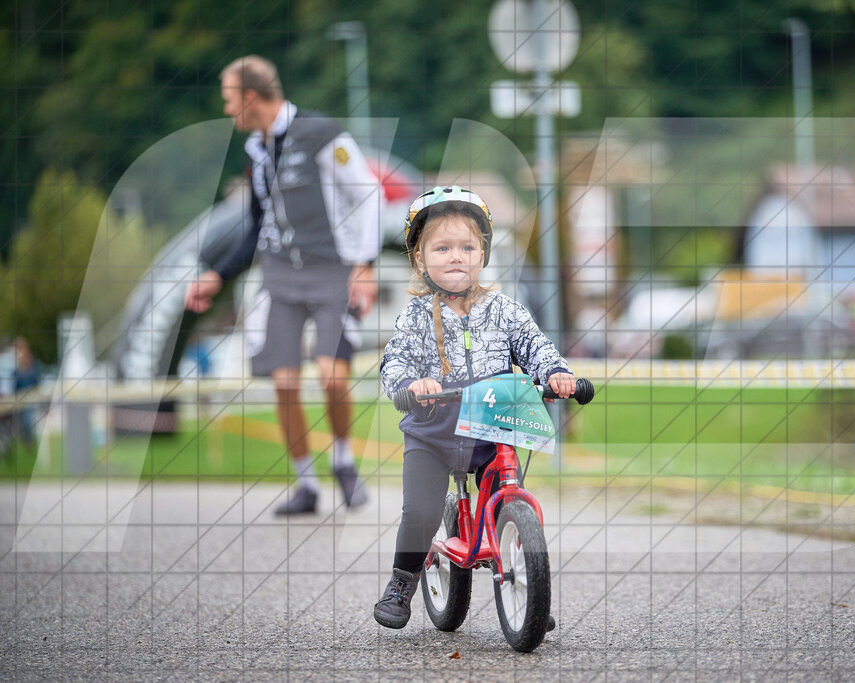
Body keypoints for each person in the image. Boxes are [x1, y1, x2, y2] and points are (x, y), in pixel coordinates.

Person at [374, 186, 575, 629]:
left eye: (467, 247)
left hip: (491, 430)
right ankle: (402, 580)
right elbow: (396, 359)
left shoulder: (505, 310)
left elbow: (534, 346)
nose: (456, 257)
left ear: (483, 254)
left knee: (510, 495)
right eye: (442, 248)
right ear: (420, 260)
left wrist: (556, 373)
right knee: (422, 512)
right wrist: (411, 383)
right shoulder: (415, 315)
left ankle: (528, 588)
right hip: (433, 432)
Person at [185, 55, 379, 514]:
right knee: (285, 382)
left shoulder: (321, 134)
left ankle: (344, 461)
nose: (228, 108)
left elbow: (367, 193)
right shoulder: (256, 150)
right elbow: (257, 226)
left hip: (332, 270)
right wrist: (218, 276)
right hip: (280, 278)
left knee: (332, 374)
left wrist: (365, 265)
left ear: (250, 97)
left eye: (230, 98)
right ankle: (307, 484)